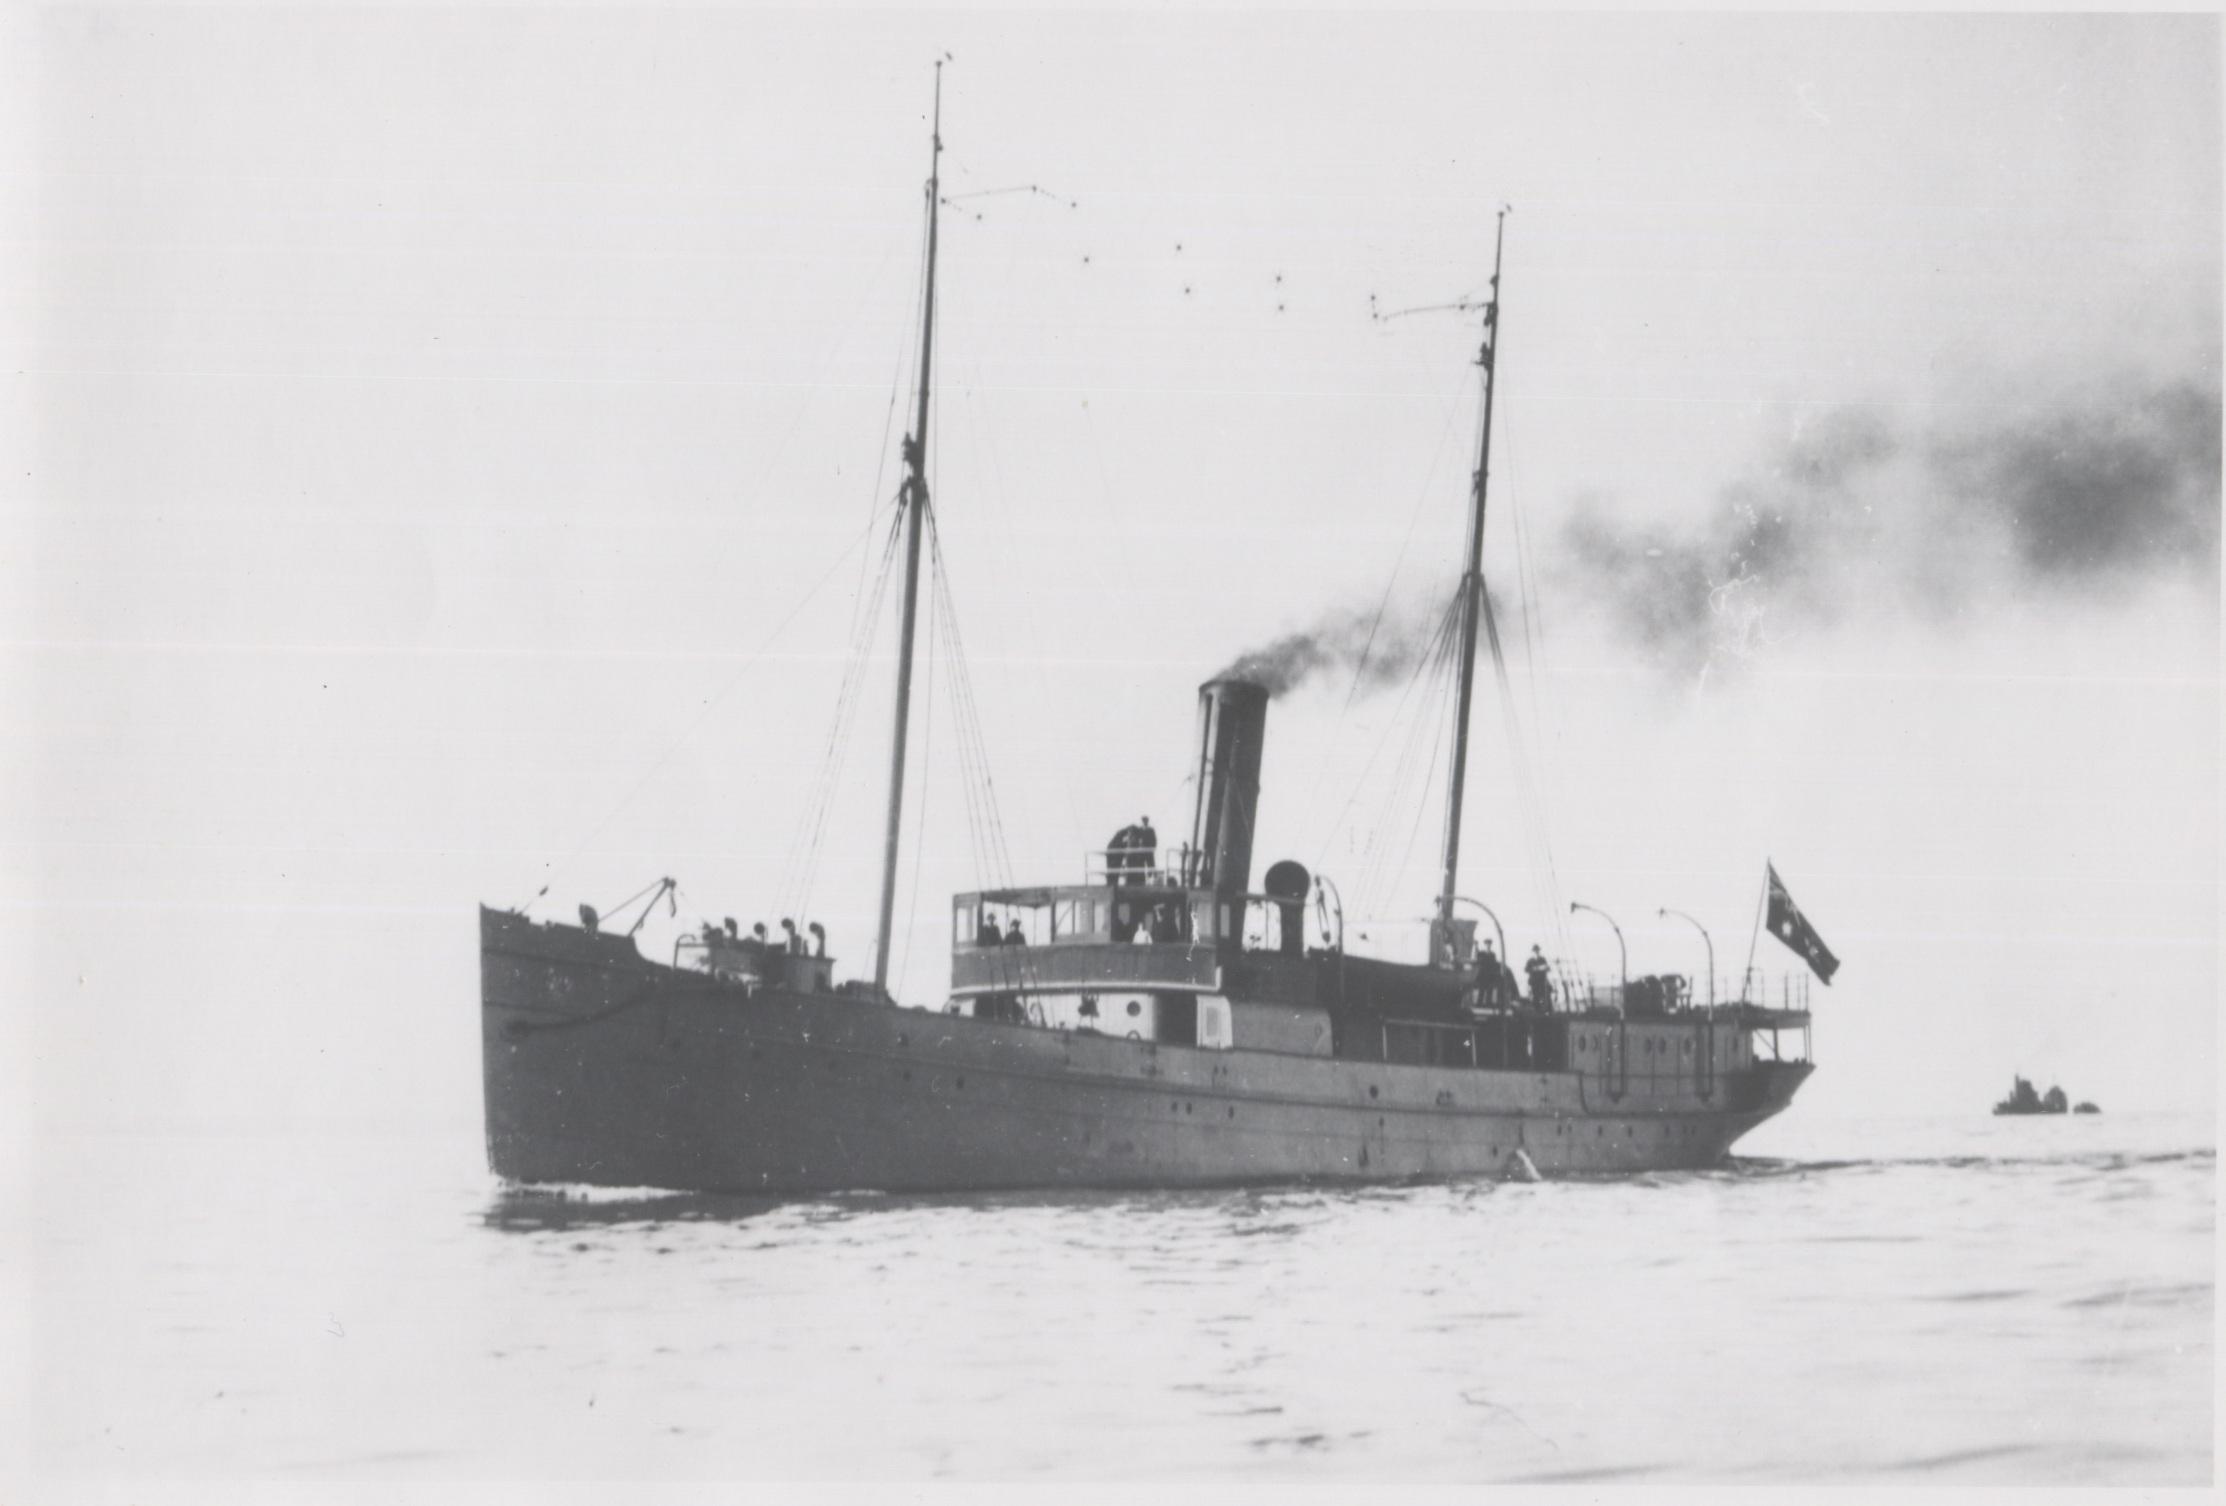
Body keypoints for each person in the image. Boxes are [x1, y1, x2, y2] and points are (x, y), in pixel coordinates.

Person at [1524, 945, 1554, 1012]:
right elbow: (1526, 969)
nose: (1536, 952)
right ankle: (1536, 1011)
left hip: (1542, 981)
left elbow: (1548, 968)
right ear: (1533, 952)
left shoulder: (1542, 959)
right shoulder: (1530, 961)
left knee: (1546, 996)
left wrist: (1545, 968)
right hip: (1534, 982)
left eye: (1537, 950)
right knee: (1535, 997)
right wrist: (1535, 969)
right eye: (1535, 951)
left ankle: (1548, 1011)